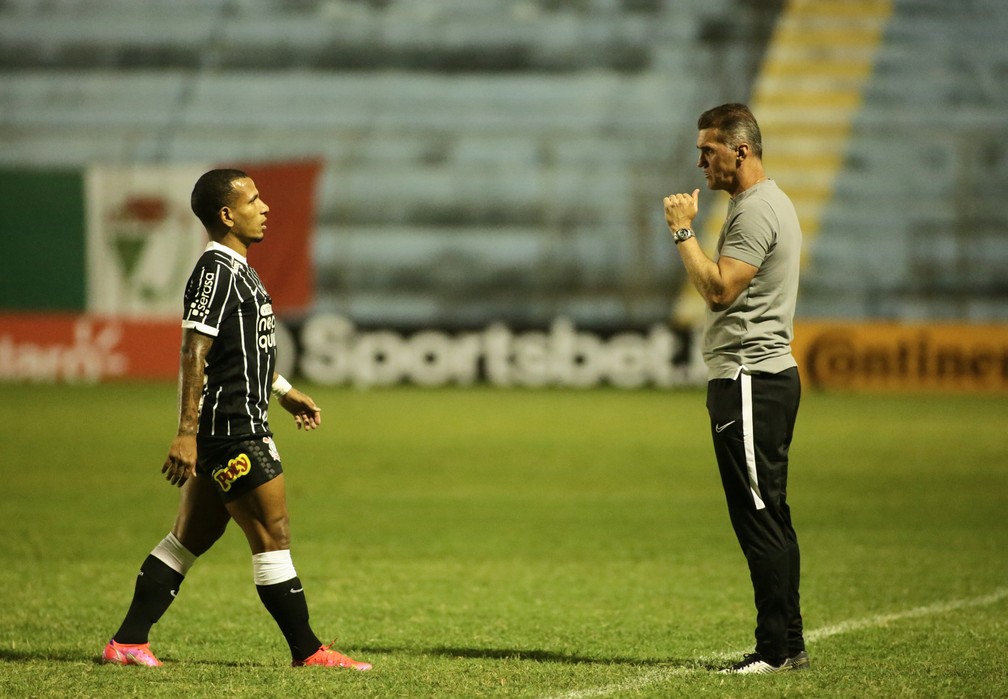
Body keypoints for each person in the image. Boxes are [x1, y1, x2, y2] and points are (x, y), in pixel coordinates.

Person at [102, 169, 371, 671]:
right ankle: (309, 652)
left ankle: (127, 642)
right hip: (233, 429)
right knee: (274, 532)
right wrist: (186, 432)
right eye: (253, 200)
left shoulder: (238, 268)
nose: (264, 207)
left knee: (189, 538)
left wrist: (284, 391)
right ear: (226, 215)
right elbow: (193, 349)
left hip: (231, 425)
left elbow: (241, 350)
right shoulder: (216, 271)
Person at [662, 103, 808, 674]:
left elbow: (720, 291)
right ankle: (787, 644)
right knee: (770, 512)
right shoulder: (767, 203)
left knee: (759, 517)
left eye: (708, 150)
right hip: (763, 376)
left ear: (739, 150)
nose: (701, 162)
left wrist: (681, 232)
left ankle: (775, 650)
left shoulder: (754, 212)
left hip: (751, 377)